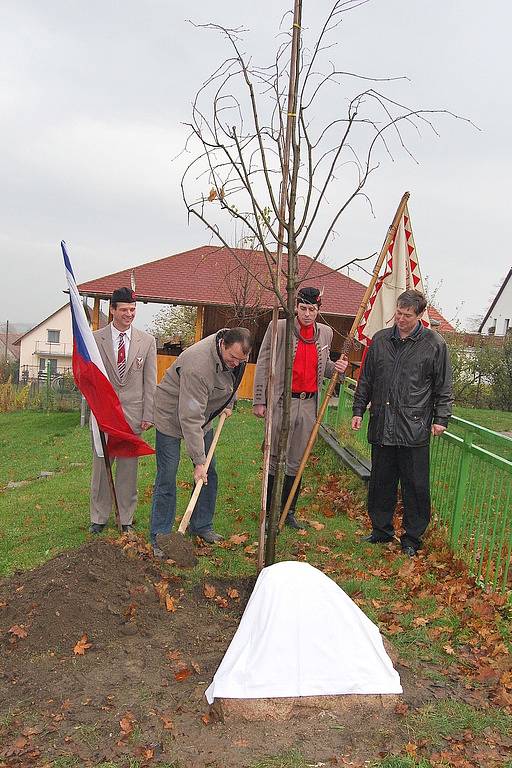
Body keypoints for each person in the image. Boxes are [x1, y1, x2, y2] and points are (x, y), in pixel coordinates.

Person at [352, 289, 453, 557]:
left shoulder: (434, 344)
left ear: (420, 315)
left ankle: (412, 538)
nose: (400, 319)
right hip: (382, 424)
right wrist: (358, 409)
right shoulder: (381, 341)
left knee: (415, 487)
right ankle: (381, 530)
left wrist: (441, 418)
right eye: (398, 313)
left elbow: (444, 386)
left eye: (407, 315)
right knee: (381, 482)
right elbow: (367, 379)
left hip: (415, 427)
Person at [253, 287, 348, 529]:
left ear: (318, 310)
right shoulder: (279, 328)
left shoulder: (325, 333)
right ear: (296, 307)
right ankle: (270, 511)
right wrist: (259, 400)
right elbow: (264, 362)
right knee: (274, 456)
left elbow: (323, 366)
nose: (307, 314)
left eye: (312, 310)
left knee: (297, 459)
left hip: (309, 404)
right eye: (303, 308)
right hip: (282, 401)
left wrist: (336, 368)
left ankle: (289, 510)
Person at [150, 327, 252, 552]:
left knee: (210, 472)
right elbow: (189, 417)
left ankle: (201, 525)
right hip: (171, 416)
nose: (237, 362)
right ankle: (161, 535)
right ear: (222, 344)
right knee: (167, 475)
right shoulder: (198, 366)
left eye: (241, 359)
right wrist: (198, 461)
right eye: (233, 358)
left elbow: (233, 380)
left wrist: (229, 404)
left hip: (201, 416)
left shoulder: (236, 356)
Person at [90, 287, 157, 533]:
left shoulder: (147, 341)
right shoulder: (95, 339)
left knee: (128, 468)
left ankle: (125, 519)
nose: (129, 314)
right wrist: (95, 408)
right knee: (101, 465)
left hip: (133, 415)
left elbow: (150, 381)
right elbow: (90, 377)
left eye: (133, 310)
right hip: (104, 414)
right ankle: (99, 517)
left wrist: (148, 414)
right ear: (113, 310)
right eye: (125, 310)